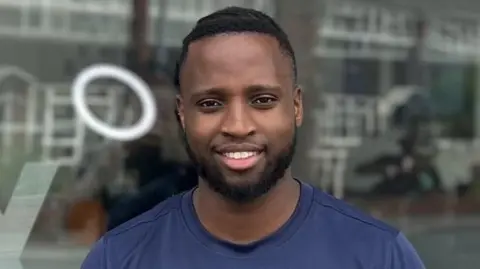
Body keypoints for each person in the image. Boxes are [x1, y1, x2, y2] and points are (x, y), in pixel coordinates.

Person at [81, 6, 425, 269]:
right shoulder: (120, 257)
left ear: (296, 107)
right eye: (211, 103)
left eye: (262, 100)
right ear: (182, 115)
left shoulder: (379, 255)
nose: (237, 125)